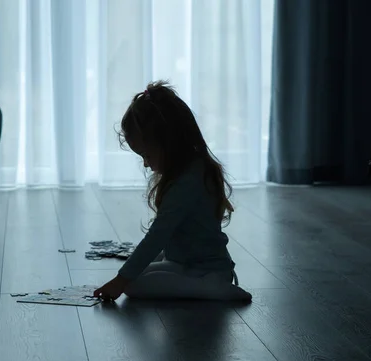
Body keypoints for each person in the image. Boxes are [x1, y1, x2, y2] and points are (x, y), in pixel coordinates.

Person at [93, 81, 252, 302]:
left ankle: (213, 288)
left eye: (146, 155)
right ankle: (207, 284)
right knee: (135, 277)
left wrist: (121, 280)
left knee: (131, 286)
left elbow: (158, 235)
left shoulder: (189, 180)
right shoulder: (190, 170)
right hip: (184, 262)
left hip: (204, 269)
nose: (146, 164)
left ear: (168, 144)